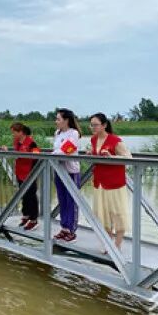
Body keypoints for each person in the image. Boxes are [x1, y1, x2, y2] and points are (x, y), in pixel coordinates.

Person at [88, 112, 131, 252]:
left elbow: (128, 158)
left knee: (117, 213)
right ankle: (108, 242)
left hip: (114, 183)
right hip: (99, 182)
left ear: (104, 125)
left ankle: (117, 245)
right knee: (101, 213)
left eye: (95, 125)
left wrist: (112, 157)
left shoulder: (115, 140)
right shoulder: (93, 140)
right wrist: (92, 154)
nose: (93, 128)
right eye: (91, 125)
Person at [2, 122, 40, 231]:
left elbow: (37, 155)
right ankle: (26, 216)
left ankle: (34, 220)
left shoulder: (31, 143)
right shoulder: (17, 142)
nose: (13, 134)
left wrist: (33, 169)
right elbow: (16, 153)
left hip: (30, 173)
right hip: (20, 173)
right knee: (24, 195)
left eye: (14, 132)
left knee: (31, 196)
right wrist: (7, 151)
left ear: (21, 132)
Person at [52, 108, 82, 242]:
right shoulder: (57, 133)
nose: (56, 121)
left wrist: (54, 154)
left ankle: (71, 230)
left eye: (58, 119)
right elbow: (57, 150)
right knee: (62, 200)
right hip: (59, 171)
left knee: (71, 201)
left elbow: (67, 150)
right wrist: (56, 153)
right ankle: (64, 228)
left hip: (71, 171)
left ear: (66, 120)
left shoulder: (74, 133)